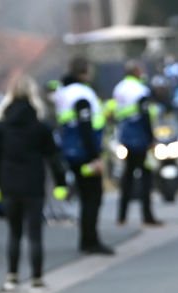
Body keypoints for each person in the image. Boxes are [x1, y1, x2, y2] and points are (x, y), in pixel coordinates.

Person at [0, 74, 68, 292]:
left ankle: (12, 277)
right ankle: (37, 279)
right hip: (33, 182)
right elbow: (53, 157)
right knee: (35, 233)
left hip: (9, 183)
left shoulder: (1, 125)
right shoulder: (40, 124)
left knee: (13, 232)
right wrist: (61, 184)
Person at [55, 55, 114, 255]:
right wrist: (95, 156)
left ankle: (87, 239)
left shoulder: (64, 92)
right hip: (84, 153)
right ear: (85, 71)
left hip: (71, 151)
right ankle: (90, 241)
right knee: (93, 196)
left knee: (86, 195)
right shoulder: (81, 94)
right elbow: (85, 125)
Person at [107, 60, 161, 226]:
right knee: (145, 176)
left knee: (127, 176)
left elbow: (114, 113)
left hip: (124, 135)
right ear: (137, 71)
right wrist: (151, 139)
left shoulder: (119, 88)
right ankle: (147, 216)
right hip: (140, 136)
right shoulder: (140, 90)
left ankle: (122, 216)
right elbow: (145, 116)